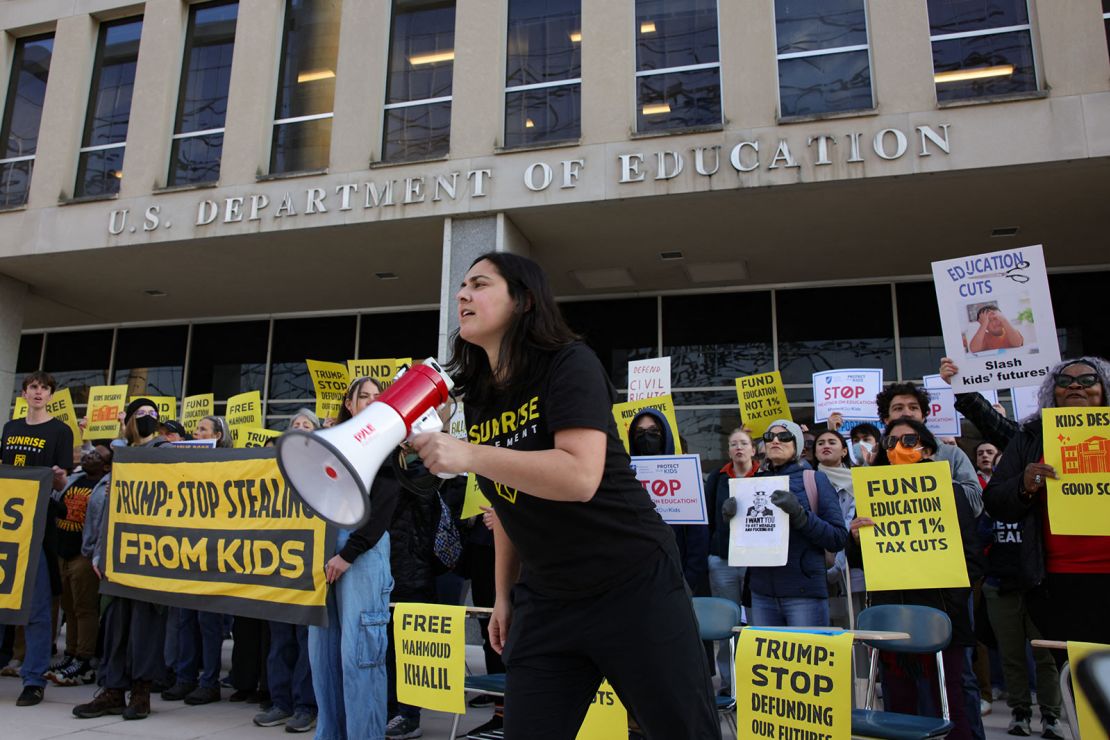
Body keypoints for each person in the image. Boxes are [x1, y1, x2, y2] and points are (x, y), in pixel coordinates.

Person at [411, 252, 720, 739]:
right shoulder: (481, 397)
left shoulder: (568, 363)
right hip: (548, 599)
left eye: (480, 284)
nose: (462, 294)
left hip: (633, 583)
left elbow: (579, 476)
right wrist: (505, 596)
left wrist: (469, 455)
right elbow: (510, 501)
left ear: (524, 300)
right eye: (461, 286)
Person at [849, 417, 983, 740]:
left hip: (942, 616)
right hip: (892, 613)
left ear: (926, 448)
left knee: (950, 705)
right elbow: (861, 563)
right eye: (891, 442)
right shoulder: (872, 494)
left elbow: (973, 560)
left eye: (909, 441)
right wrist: (854, 539)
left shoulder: (953, 494)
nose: (899, 448)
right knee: (899, 704)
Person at [982, 358, 1110, 654]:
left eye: (1088, 380)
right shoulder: (1030, 438)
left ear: (1104, 389)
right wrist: (1023, 487)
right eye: (1064, 382)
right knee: (1080, 677)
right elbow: (995, 502)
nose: (1076, 385)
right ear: (1054, 393)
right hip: (1058, 582)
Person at [309, 376, 399, 740]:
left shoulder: (385, 443)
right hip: (323, 544)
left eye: (379, 397)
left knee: (359, 653)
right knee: (323, 656)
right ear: (349, 402)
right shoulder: (329, 443)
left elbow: (385, 501)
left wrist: (349, 552)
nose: (371, 401)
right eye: (364, 396)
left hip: (361, 550)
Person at [74, 398, 169, 720]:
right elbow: (110, 510)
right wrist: (99, 551)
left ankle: (141, 692)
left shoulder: (165, 452)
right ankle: (112, 690)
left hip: (152, 554)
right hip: (117, 552)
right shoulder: (119, 458)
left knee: (145, 624)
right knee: (115, 624)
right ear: (128, 420)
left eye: (153, 415)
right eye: (140, 414)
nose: (147, 418)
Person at [721, 420, 847, 628]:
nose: (776, 440)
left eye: (784, 436)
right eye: (770, 437)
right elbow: (745, 543)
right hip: (762, 594)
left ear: (797, 445)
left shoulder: (815, 479)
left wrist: (800, 516)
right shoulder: (752, 483)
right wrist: (733, 521)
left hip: (804, 594)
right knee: (768, 662)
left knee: (805, 660)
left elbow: (837, 538)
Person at [0, 371, 73, 706]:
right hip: (6, 526)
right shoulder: (10, 428)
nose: (39, 392)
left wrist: (58, 480)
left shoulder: (60, 431)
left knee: (38, 606)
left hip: (39, 529)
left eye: (45, 388)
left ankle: (33, 679)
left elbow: (62, 486)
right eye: (33, 387)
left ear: (51, 394)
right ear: (25, 393)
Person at [254, 408, 318, 733]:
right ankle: (281, 702)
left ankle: (305, 706)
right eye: (296, 425)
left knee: (306, 642)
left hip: (309, 571)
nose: (301, 428)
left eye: (308, 425)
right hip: (277, 567)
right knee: (280, 641)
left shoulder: (323, 470)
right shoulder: (271, 472)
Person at [162, 414, 233, 706]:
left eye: (203, 429)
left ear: (217, 436)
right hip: (186, 551)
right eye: (195, 429)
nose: (196, 432)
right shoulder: (186, 464)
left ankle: (209, 682)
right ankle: (185, 678)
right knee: (184, 619)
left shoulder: (230, 465)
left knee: (208, 622)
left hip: (213, 554)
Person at [48, 443, 113, 687]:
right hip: (62, 551)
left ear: (106, 465)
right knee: (69, 606)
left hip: (83, 555)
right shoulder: (75, 478)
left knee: (85, 609)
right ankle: (71, 653)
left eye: (97, 455)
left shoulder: (106, 486)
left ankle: (85, 660)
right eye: (89, 452)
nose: (89, 456)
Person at [628, 409, 709, 595]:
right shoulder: (625, 477)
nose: (646, 437)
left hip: (677, 580)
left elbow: (698, 538)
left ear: (665, 435)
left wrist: (688, 580)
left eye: (653, 431)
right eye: (640, 432)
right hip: (635, 581)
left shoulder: (685, 475)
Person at [875, 382, 983, 516]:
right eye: (898, 408)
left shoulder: (951, 453)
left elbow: (976, 504)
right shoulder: (878, 458)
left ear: (924, 416)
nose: (907, 413)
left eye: (913, 408)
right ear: (886, 418)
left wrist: (933, 474)